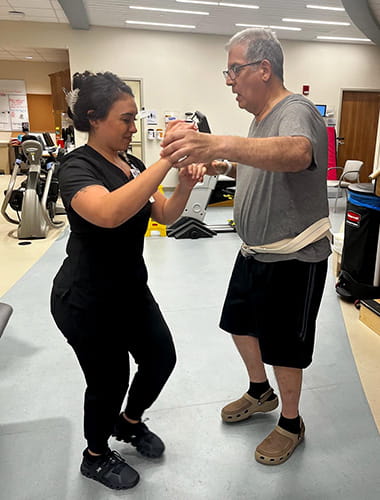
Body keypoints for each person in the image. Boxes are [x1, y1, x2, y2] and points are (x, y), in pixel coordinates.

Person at [161, 28, 331, 466]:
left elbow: (296, 153)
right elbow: (262, 160)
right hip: (255, 252)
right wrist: (221, 162)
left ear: (264, 69)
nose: (229, 80)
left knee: (284, 348)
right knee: (239, 324)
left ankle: (291, 423)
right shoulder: (260, 119)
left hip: (294, 256)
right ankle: (260, 392)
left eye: (234, 70)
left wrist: (217, 141)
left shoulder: (297, 110)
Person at [50, 71, 205, 490]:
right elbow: (108, 213)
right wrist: (167, 160)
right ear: (94, 118)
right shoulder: (76, 167)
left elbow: (163, 215)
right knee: (109, 379)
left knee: (161, 358)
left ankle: (128, 422)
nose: (134, 128)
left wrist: (185, 186)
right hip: (85, 297)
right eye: (126, 119)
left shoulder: (132, 163)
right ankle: (95, 455)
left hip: (130, 290)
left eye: (135, 118)